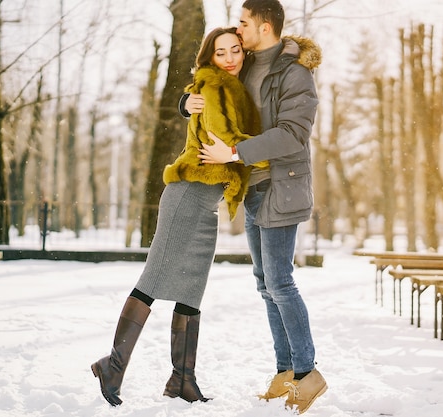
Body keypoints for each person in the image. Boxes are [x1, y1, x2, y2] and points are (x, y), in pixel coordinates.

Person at [91, 27, 263, 407]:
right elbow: (224, 138)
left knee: (191, 290)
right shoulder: (217, 88)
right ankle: (113, 365)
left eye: (236, 49)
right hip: (189, 194)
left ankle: (181, 379)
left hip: (206, 201)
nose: (231, 58)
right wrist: (266, 152)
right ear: (210, 58)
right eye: (221, 52)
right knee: (154, 278)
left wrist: (186, 103)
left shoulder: (230, 86)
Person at [183, 0, 327, 414]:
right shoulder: (245, 64)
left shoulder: (294, 73)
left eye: (244, 23)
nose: (237, 29)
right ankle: (285, 371)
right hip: (253, 186)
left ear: (264, 27)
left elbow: (292, 133)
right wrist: (185, 103)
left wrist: (234, 151)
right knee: (265, 283)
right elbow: (212, 83)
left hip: (282, 187)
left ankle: (307, 374)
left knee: (281, 282)